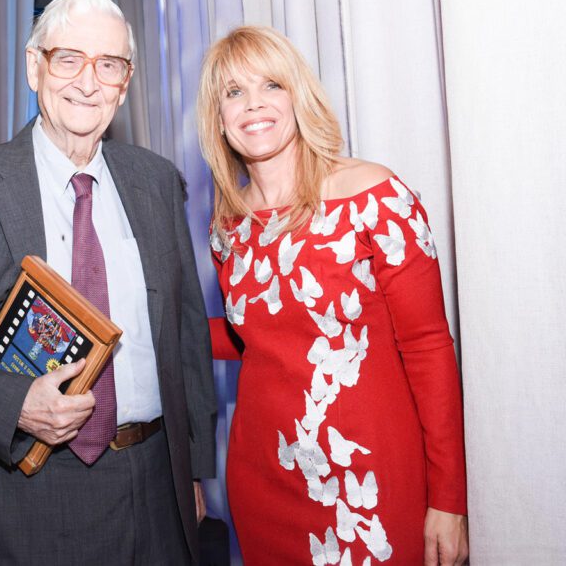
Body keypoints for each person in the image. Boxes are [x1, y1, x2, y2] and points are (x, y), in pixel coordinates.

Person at [0, 0, 217, 565]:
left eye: (108, 65)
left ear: (125, 82)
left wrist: (195, 469)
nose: (89, 83)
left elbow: (186, 333)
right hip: (27, 487)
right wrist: (13, 404)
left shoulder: (157, 182)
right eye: (69, 59)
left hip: (157, 482)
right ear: (34, 67)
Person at [198, 27, 468, 565]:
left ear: (298, 95)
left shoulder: (377, 198)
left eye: (270, 85)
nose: (253, 105)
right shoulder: (228, 226)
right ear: (220, 120)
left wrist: (450, 499)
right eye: (233, 92)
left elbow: (429, 347)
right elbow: (257, 336)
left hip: (369, 480)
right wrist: (148, 328)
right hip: (263, 477)